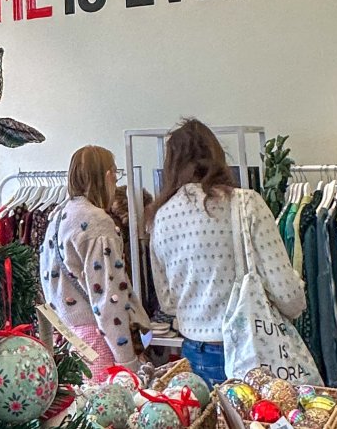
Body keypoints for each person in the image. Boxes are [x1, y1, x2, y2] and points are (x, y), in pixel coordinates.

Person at [149, 119, 305, 383]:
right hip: (251, 351)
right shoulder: (246, 204)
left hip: (194, 353)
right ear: (216, 156)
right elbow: (288, 294)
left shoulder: (160, 218)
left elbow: (168, 301)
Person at [40, 146, 150, 379]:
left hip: (70, 340)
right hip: (101, 343)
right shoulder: (97, 221)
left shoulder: (58, 216)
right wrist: (127, 363)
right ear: (109, 176)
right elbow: (109, 296)